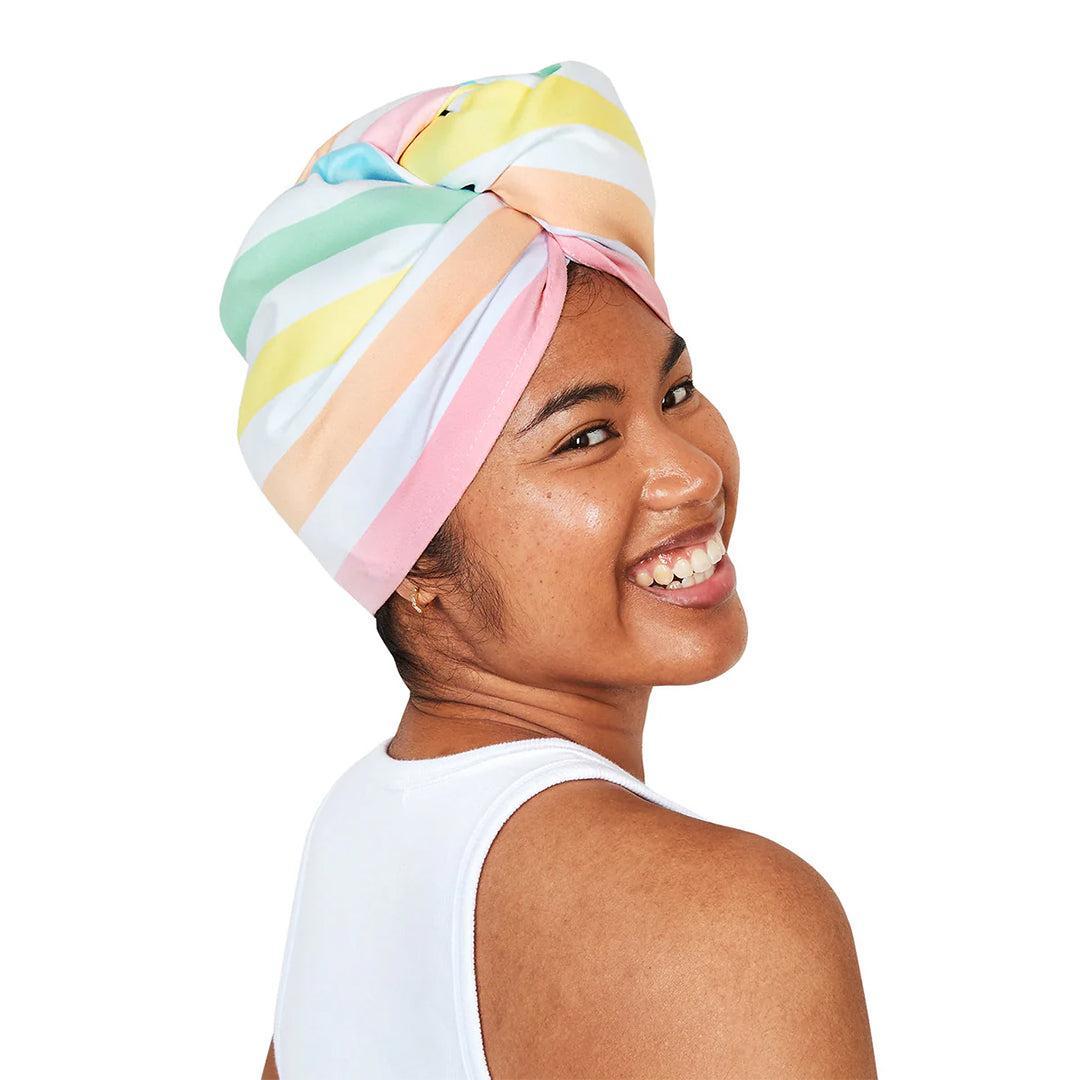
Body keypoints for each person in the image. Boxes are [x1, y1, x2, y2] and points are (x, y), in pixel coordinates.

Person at [221, 61, 877, 1080]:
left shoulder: (358, 834)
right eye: (585, 438)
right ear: (414, 557)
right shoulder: (734, 922)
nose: (693, 472)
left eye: (677, 391)